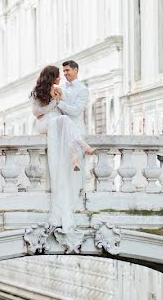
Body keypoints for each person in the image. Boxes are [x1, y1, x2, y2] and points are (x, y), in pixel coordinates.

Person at [31, 64, 94, 236]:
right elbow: (36, 112)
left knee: (64, 120)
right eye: (58, 75)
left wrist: (59, 100)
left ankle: (75, 156)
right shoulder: (38, 92)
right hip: (44, 124)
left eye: (63, 73)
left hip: (57, 123)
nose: (61, 78)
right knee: (63, 120)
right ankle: (82, 146)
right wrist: (53, 103)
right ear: (51, 77)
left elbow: (67, 108)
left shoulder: (59, 90)